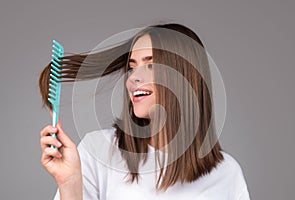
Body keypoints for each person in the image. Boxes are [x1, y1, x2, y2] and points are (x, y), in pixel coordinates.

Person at [39, 23, 250, 200]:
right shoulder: (98, 151)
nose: (133, 78)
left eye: (150, 66)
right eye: (132, 67)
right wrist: (70, 184)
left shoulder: (227, 173)